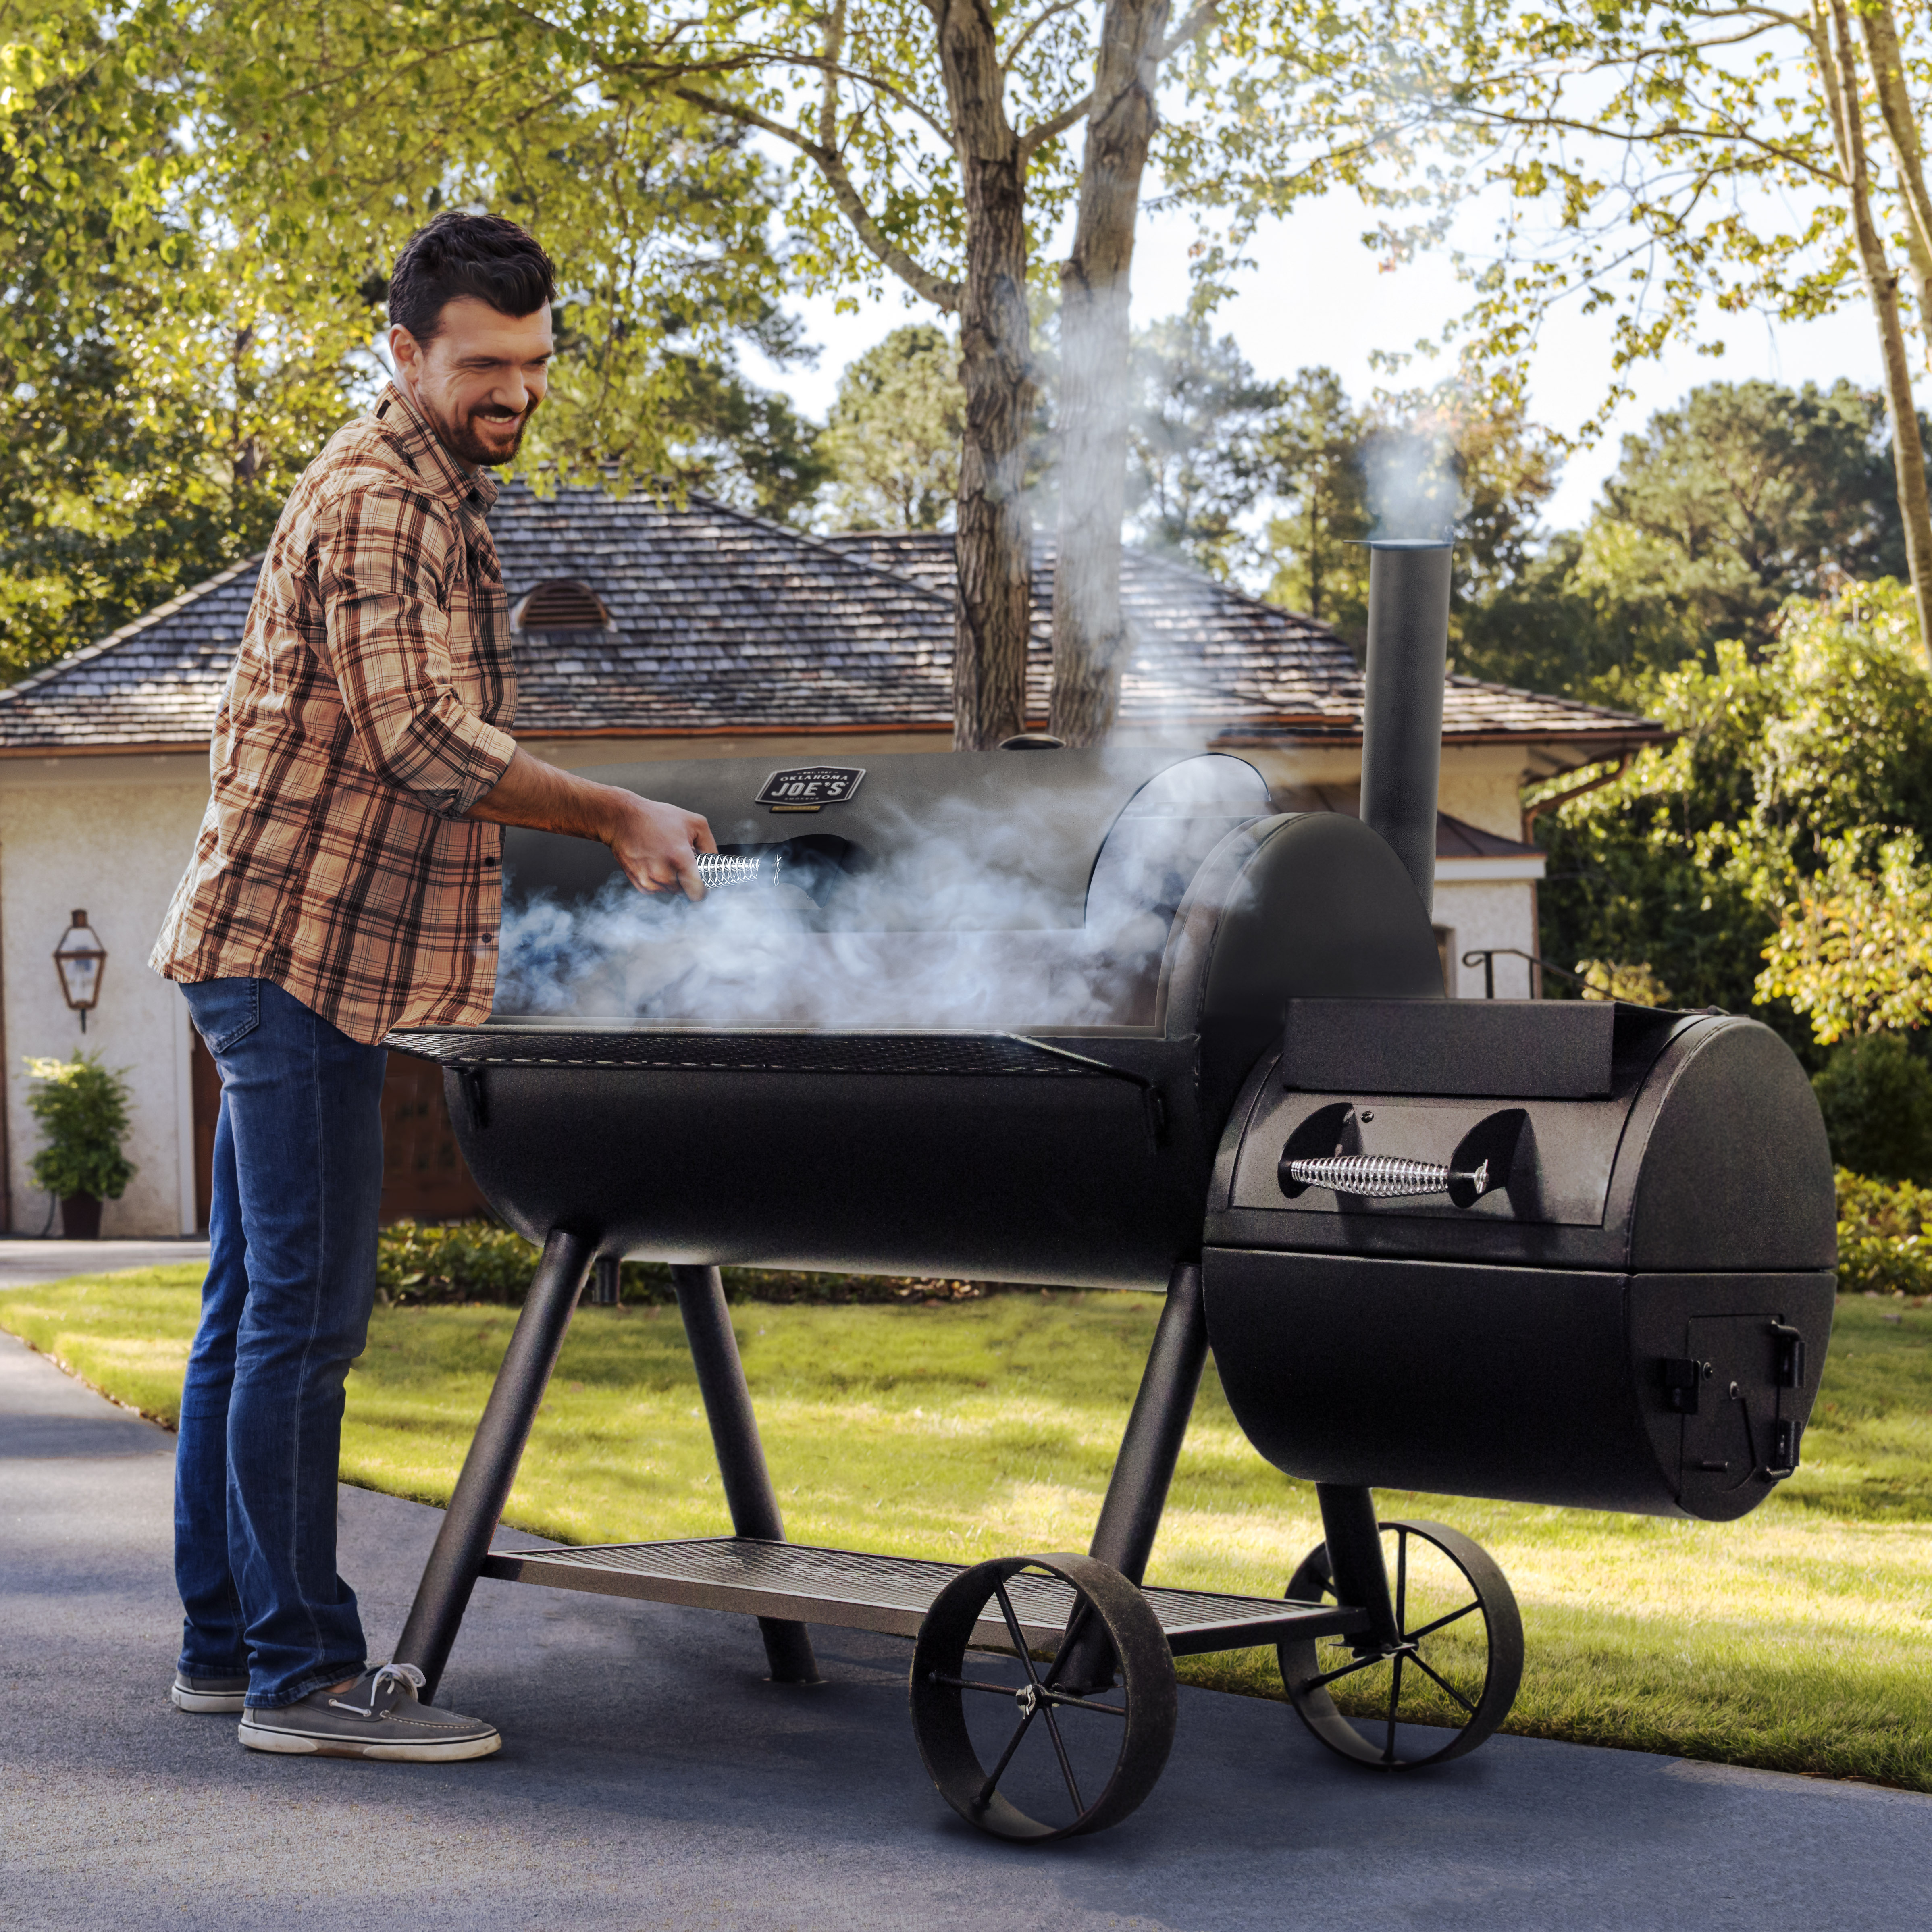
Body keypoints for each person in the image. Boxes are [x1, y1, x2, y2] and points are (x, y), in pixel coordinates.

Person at [150, 212, 714, 1761]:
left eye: (533, 365)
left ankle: (226, 1645)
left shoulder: (431, 485)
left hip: (280, 951)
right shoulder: (384, 498)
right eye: (483, 364)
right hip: (296, 961)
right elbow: (423, 746)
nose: (513, 392)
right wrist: (613, 812)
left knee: (247, 1319)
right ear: (406, 352)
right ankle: (304, 1679)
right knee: (305, 1325)